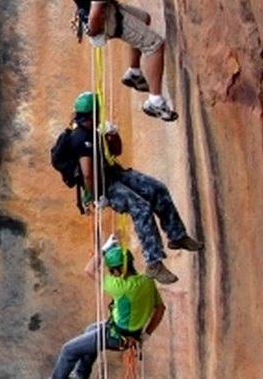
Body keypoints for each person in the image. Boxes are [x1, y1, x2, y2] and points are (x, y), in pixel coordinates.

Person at [69, 91, 203, 284]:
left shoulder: (94, 130)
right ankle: (154, 262)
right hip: (103, 187)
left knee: (157, 189)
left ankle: (177, 235)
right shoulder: (80, 139)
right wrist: (97, 195)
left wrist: (113, 136)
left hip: (114, 173)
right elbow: (87, 173)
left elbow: (116, 152)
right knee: (140, 207)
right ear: (92, 113)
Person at [69, 0, 178, 121]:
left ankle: (134, 72)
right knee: (154, 44)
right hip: (103, 18)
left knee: (144, 18)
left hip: (97, 10)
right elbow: (96, 13)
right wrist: (95, 32)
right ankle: (155, 101)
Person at [49, 237, 165, 379]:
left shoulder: (120, 287)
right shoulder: (148, 281)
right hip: (130, 333)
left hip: (115, 336)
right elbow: (160, 310)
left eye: (111, 271)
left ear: (118, 270)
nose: (111, 274)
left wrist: (103, 250)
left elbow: (89, 269)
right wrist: (146, 334)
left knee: (68, 350)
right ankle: (81, 375)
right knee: (90, 330)